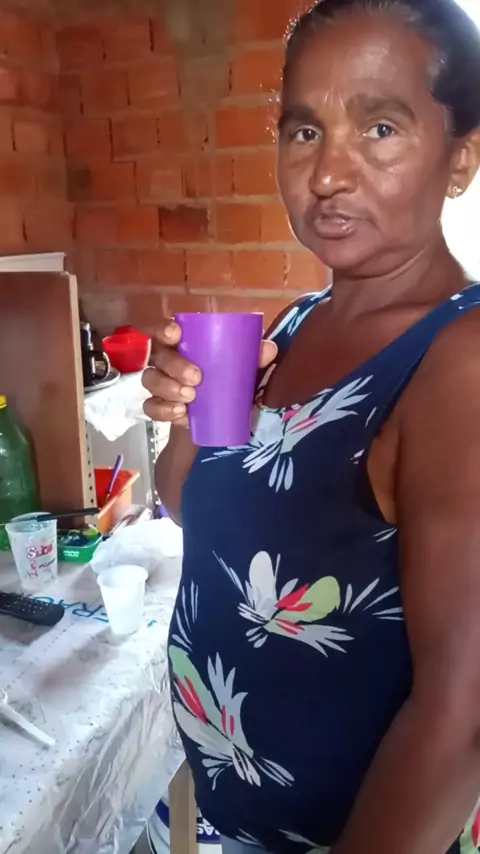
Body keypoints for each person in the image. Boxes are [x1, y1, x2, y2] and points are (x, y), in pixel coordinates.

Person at [142, 1, 480, 852]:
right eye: (303, 131)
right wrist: (185, 418)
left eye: (380, 128)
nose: (327, 173)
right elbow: (193, 510)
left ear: (461, 159)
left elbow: (465, 711)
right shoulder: (293, 326)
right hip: (235, 825)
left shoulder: (459, 361)